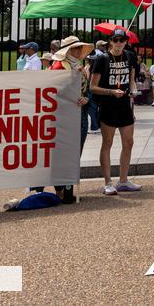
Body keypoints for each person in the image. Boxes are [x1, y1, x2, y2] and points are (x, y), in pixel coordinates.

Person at [39, 36, 94, 203]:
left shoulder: (80, 66)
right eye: (75, 48)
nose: (78, 51)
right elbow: (54, 91)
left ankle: (66, 188)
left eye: (79, 48)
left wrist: (86, 99)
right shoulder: (58, 66)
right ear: (67, 51)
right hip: (64, 115)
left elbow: (87, 90)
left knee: (76, 151)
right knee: (63, 152)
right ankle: (61, 190)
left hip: (80, 113)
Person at [89, 28, 141, 195]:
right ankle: (108, 182)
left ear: (126, 41)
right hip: (108, 104)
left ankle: (123, 180)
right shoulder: (101, 59)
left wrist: (133, 90)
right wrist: (111, 92)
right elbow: (93, 87)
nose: (119, 43)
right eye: (116, 40)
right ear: (110, 41)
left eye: (122, 40)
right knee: (108, 142)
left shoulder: (130, 56)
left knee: (129, 142)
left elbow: (132, 80)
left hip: (125, 104)